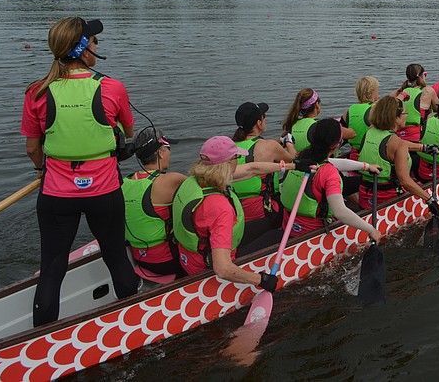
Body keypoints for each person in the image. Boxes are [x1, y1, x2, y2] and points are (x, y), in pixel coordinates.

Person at [21, 16, 139, 326]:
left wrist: (41, 169)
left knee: (52, 267)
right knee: (116, 256)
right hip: (104, 192)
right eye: (95, 41)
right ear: (84, 49)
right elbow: (128, 131)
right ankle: (134, 322)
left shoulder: (37, 92)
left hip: (56, 194)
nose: (98, 46)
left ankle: (42, 337)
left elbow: (33, 148)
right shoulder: (112, 87)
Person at [172, 136, 281, 290]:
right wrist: (261, 280)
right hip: (207, 266)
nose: (239, 162)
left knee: (268, 224)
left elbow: (251, 169)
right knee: (277, 235)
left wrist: (291, 166)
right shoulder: (220, 207)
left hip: (190, 259)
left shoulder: (193, 181)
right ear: (228, 164)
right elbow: (222, 269)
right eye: (237, 158)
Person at [274, 118, 384, 242]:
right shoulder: (329, 172)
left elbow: (333, 162)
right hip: (314, 235)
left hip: (289, 227)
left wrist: (366, 166)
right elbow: (340, 212)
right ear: (336, 145)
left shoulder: (300, 158)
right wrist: (371, 230)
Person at [123, 127, 188, 280]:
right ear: (160, 152)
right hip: (169, 261)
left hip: (141, 259)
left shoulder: (124, 182)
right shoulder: (171, 180)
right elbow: (206, 185)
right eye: (168, 148)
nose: (170, 153)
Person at [357, 95, 439, 214]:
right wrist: (429, 199)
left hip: (365, 197)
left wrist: (422, 147)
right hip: (388, 201)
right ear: (396, 118)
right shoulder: (398, 144)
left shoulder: (370, 131)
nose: (407, 115)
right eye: (405, 113)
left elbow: (395, 145)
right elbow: (404, 181)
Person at [230, 101, 295, 246]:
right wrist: (289, 143)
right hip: (264, 212)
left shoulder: (229, 146)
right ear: (259, 123)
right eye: (264, 118)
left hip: (235, 211)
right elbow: (293, 159)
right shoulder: (269, 146)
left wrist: (279, 141)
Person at [281, 88, 355, 153]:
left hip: (298, 162)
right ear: (317, 104)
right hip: (318, 164)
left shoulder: (292, 124)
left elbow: (280, 141)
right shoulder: (321, 126)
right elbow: (352, 134)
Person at [395, 63, 437, 143]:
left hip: (399, 135)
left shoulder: (399, 92)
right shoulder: (428, 91)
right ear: (422, 76)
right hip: (418, 136)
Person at [340, 76, 379, 161]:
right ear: (371, 92)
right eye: (377, 90)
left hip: (354, 155)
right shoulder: (375, 108)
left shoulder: (349, 111)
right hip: (371, 155)